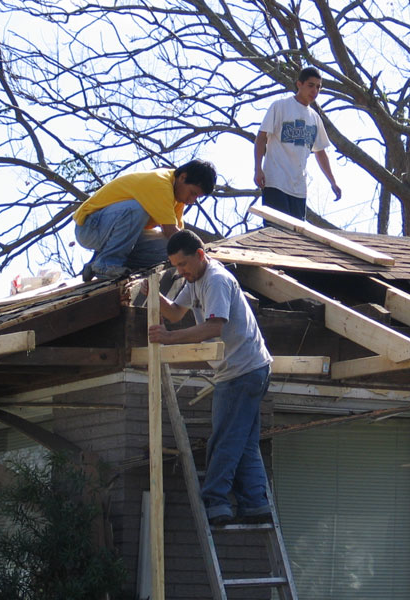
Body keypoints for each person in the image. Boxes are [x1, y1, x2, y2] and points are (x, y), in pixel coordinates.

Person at [147, 229, 273, 525]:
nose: (180, 271)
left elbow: (213, 328)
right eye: (175, 266)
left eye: (183, 264)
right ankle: (255, 503)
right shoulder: (196, 278)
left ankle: (216, 503)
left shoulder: (215, 280)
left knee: (224, 440)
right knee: (243, 441)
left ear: (200, 255)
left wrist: (167, 338)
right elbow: (177, 312)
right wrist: (151, 292)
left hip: (242, 371)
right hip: (249, 368)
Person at [74, 159, 217, 281]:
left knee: (169, 249)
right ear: (183, 177)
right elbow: (171, 231)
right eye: (192, 193)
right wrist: (203, 255)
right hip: (90, 227)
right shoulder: (160, 184)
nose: (192, 201)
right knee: (137, 209)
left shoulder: (178, 198)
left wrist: (197, 258)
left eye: (196, 197)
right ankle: (106, 264)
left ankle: (97, 263)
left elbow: (175, 239)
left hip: (107, 234)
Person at [254, 66, 342, 220]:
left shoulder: (315, 118)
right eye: (310, 85)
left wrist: (333, 182)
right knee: (276, 233)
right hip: (275, 181)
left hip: (298, 188)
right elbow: (261, 138)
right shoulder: (280, 106)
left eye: (318, 87)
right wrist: (257, 168)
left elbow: (320, 152)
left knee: (295, 237)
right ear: (299, 84)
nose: (314, 90)